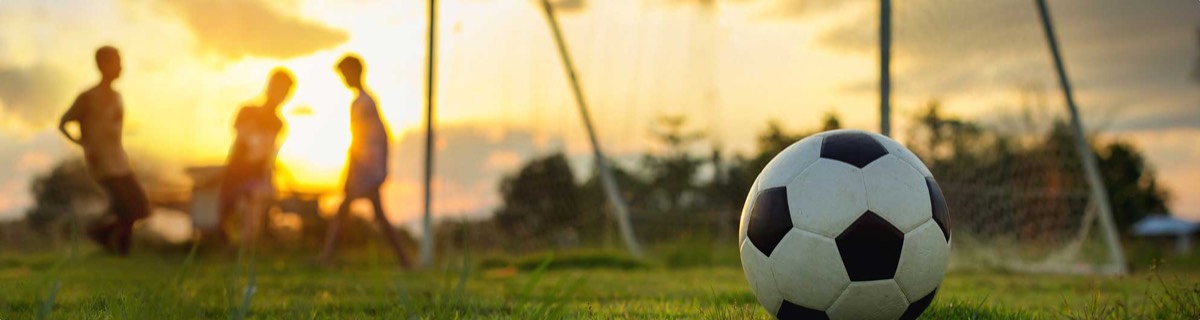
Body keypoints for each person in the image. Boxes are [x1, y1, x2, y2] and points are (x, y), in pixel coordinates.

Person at [318, 55, 411, 268]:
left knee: (347, 212)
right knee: (365, 214)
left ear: (355, 72)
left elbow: (361, 139)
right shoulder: (366, 101)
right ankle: (405, 261)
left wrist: (352, 170)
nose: (343, 78)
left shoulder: (362, 103)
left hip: (365, 169)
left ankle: (326, 257)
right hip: (370, 168)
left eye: (345, 73)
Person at [59, 46, 148, 256]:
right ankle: (111, 243)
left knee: (140, 206)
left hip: (120, 160)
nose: (120, 67)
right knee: (126, 208)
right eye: (116, 62)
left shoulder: (117, 96)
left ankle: (104, 235)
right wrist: (84, 145)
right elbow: (63, 123)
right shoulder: (88, 97)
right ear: (102, 65)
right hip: (102, 162)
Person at [217, 68, 293, 248]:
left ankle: (246, 247)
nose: (279, 95)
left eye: (284, 92)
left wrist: (270, 177)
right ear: (269, 86)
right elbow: (242, 138)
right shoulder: (247, 111)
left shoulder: (278, 123)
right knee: (225, 216)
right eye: (277, 88)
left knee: (255, 205)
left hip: (256, 176)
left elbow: (270, 154)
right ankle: (227, 246)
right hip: (235, 173)